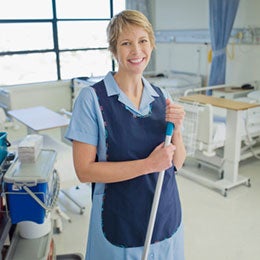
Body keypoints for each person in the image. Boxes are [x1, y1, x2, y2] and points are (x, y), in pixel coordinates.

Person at [65, 9, 186, 260]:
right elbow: (84, 171)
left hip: (164, 215)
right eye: (126, 43)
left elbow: (176, 163)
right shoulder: (92, 99)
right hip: (118, 220)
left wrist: (178, 131)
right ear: (114, 50)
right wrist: (148, 165)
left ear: (151, 44)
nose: (136, 51)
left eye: (142, 41)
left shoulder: (163, 97)